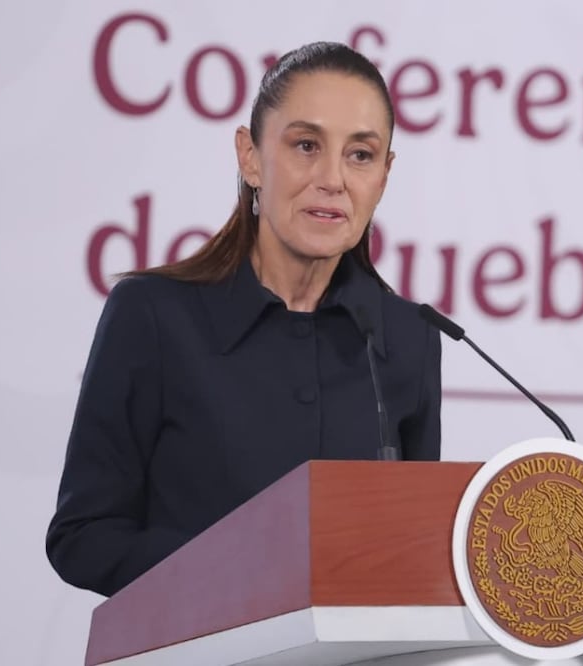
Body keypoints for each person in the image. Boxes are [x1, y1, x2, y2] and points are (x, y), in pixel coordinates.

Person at [46, 42, 442, 598]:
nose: (333, 178)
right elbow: (82, 537)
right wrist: (241, 574)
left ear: (384, 174)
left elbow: (411, 558)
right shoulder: (154, 315)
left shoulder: (410, 337)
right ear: (250, 156)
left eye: (360, 154)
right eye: (306, 145)